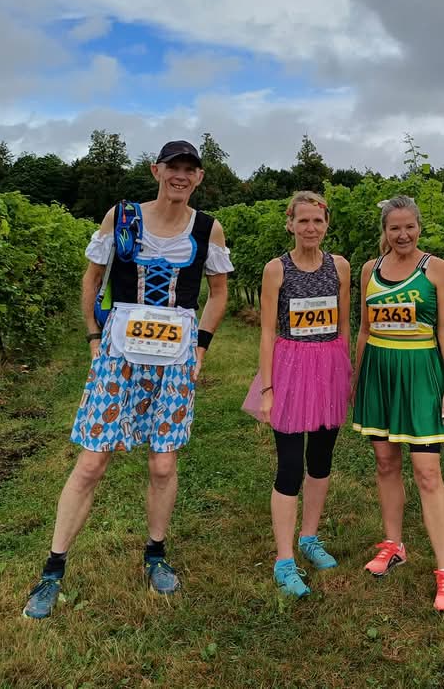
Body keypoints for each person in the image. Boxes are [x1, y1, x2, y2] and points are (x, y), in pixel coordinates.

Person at [23, 139, 233, 619]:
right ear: (157, 170)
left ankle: (155, 553)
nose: (180, 176)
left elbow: (217, 294)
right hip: (120, 353)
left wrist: (200, 345)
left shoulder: (207, 228)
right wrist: (94, 338)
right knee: (93, 461)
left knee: (162, 465)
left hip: (174, 356)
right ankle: (53, 569)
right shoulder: (122, 217)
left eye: (190, 170)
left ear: (199, 177)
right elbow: (92, 280)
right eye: (173, 167)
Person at [352, 195, 444, 613]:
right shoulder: (369, 271)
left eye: (409, 227)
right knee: (385, 464)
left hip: (420, 374)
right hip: (380, 371)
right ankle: (394, 544)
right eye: (394, 228)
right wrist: (357, 377)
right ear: (385, 230)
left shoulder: (435, 269)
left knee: (427, 471)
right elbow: (363, 330)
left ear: (419, 227)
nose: (402, 235)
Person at [241, 191, 352, 597]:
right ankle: (284, 559)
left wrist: (345, 370)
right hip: (289, 368)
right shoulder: (277, 269)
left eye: (317, 222)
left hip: (328, 366)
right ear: (290, 224)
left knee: (320, 460)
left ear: (327, 225)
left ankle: (310, 537)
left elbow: (343, 323)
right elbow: (268, 330)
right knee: (289, 465)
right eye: (303, 221)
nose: (310, 229)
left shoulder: (340, 266)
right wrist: (267, 388)